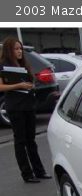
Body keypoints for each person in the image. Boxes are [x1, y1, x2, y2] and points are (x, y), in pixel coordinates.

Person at [0, 37, 50, 183]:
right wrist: (18, 86)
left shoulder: (24, 64)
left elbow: (30, 81)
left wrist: (30, 85)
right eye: (16, 49)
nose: (19, 51)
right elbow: (1, 87)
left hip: (28, 105)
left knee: (31, 140)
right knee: (20, 141)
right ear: (9, 51)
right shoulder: (3, 66)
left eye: (20, 48)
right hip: (15, 107)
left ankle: (39, 171)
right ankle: (27, 174)